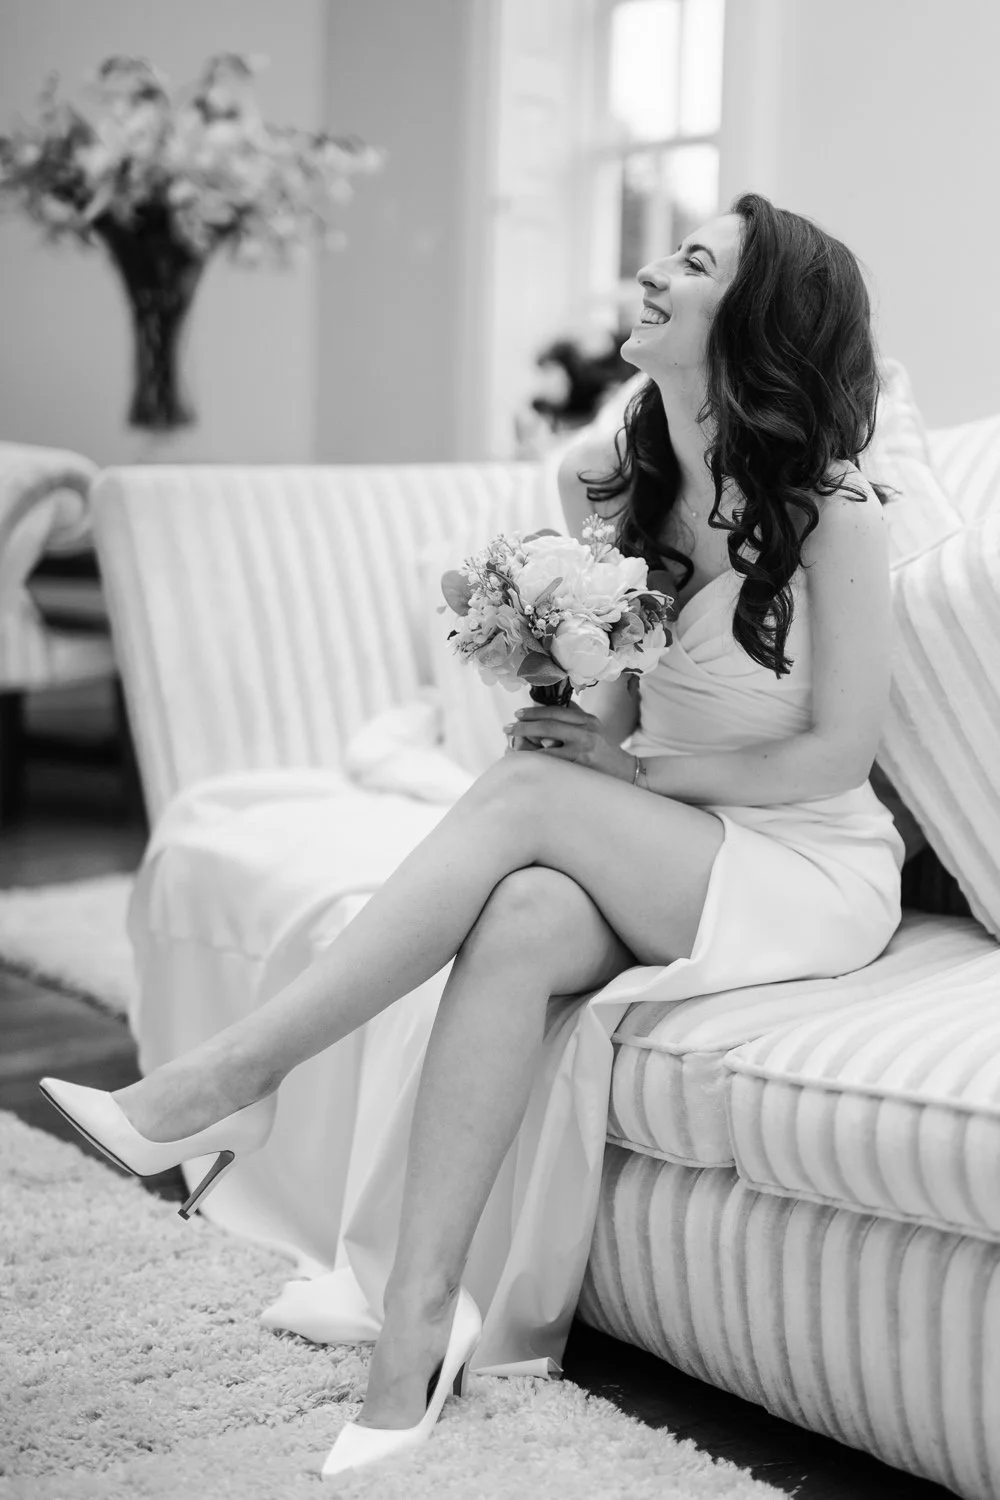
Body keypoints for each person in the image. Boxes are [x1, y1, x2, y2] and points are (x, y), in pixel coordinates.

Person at [39, 191, 905, 1479]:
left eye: (696, 261)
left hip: (802, 861)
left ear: (759, 320)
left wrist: (618, 766)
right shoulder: (610, 481)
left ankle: (231, 1081)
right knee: (518, 914)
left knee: (529, 802)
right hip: (662, 842)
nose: (654, 271)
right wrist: (557, 697)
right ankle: (411, 1339)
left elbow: (834, 752)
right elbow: (605, 717)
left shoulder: (838, 512)